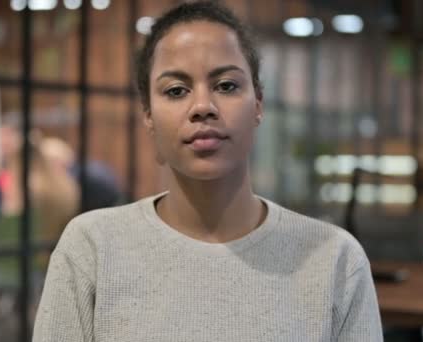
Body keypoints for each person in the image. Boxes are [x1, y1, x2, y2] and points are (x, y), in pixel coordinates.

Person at [33, 2, 382, 341]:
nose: (202, 107)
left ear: (258, 104)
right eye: (176, 90)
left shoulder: (335, 260)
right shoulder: (92, 248)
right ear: (149, 117)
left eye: (226, 85)